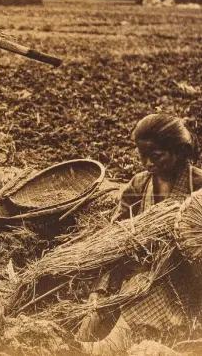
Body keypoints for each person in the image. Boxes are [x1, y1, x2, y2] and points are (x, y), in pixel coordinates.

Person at [78, 113, 202, 355]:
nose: (148, 164)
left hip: (182, 275)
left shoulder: (197, 186)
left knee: (147, 286)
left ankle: (111, 345)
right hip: (137, 264)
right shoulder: (139, 184)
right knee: (104, 289)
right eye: (142, 156)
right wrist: (102, 284)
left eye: (156, 157)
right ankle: (83, 334)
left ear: (177, 152)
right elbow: (117, 233)